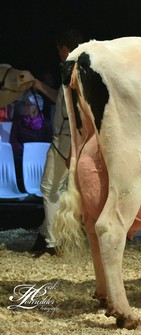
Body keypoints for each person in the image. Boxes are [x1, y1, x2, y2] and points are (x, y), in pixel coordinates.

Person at [29, 29, 84, 255]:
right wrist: (39, 86)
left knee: (49, 187)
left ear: (64, 48)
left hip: (65, 137)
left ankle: (53, 241)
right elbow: (61, 101)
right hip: (70, 136)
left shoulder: (73, 70)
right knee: (57, 188)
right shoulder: (76, 68)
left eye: (58, 49)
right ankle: (45, 233)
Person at [9, 92, 52, 192]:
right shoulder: (18, 121)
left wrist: (37, 153)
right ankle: (21, 189)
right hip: (22, 154)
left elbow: (49, 142)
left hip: (40, 156)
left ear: (36, 107)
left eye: (28, 104)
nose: (24, 107)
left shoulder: (46, 124)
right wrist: (25, 153)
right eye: (24, 104)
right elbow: (13, 140)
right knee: (16, 161)